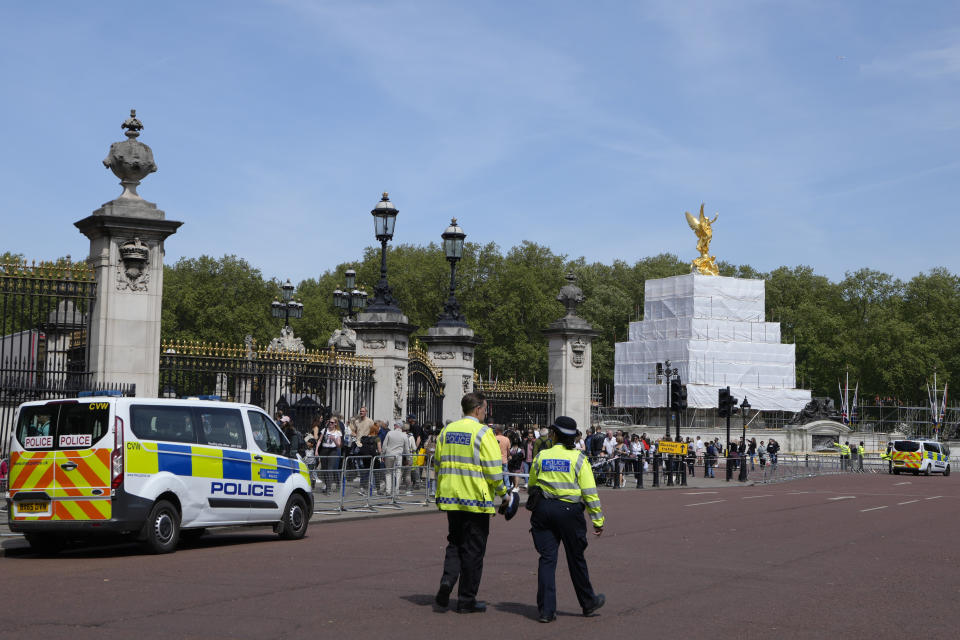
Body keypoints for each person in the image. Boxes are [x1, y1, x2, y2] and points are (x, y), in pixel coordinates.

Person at [434, 392, 509, 614]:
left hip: (451, 497)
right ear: (478, 410)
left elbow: (438, 464)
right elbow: (494, 471)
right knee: (474, 551)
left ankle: (447, 581)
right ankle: (466, 599)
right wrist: (504, 494)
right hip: (476, 499)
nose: (485, 414)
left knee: (454, 543)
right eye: (485, 410)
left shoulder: (446, 431)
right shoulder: (484, 433)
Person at [528, 416, 606, 623]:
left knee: (547, 560)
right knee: (576, 559)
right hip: (569, 512)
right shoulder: (579, 459)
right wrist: (597, 520)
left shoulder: (542, 456)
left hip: (543, 510)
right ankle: (588, 603)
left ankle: (546, 611)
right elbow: (590, 492)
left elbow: (532, 485)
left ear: (554, 434)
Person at [382, 422, 410, 496]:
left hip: (389, 454)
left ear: (396, 426)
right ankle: (396, 491)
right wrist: (408, 458)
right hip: (398, 456)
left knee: (388, 472)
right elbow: (407, 449)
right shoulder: (404, 435)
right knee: (398, 472)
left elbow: (384, 445)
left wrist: (382, 455)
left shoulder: (389, 433)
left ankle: (388, 491)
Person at [317, 418, 342, 494]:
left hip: (332, 451)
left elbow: (339, 445)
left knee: (329, 469)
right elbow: (320, 440)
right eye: (329, 422)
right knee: (324, 469)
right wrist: (316, 450)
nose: (330, 423)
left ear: (335, 424)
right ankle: (326, 485)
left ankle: (328, 488)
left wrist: (334, 439)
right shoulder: (324, 430)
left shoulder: (338, 432)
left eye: (332, 422)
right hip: (324, 450)